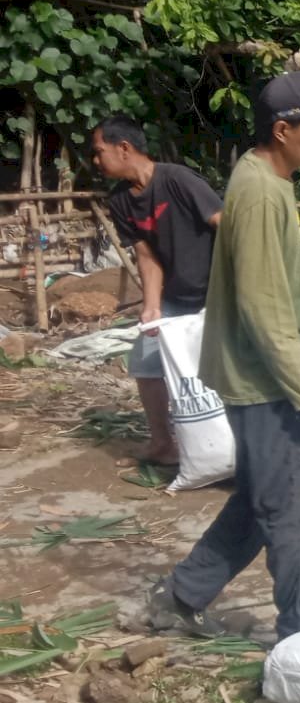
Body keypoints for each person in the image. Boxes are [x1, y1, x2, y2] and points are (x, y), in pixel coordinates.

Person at [146, 71, 300, 643]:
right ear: (283, 129)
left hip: (260, 374)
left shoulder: (259, 176)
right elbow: (261, 303)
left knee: (265, 496)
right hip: (265, 381)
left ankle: (181, 594)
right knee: (295, 506)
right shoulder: (262, 192)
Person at [93, 115, 223, 466]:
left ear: (124, 148)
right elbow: (146, 256)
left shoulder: (178, 180)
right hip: (175, 296)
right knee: (146, 363)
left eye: (99, 151)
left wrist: (241, 288)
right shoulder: (120, 200)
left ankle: (231, 446)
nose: (95, 160)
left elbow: (227, 226)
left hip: (217, 292)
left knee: (224, 367)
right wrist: (152, 307)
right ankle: (163, 443)